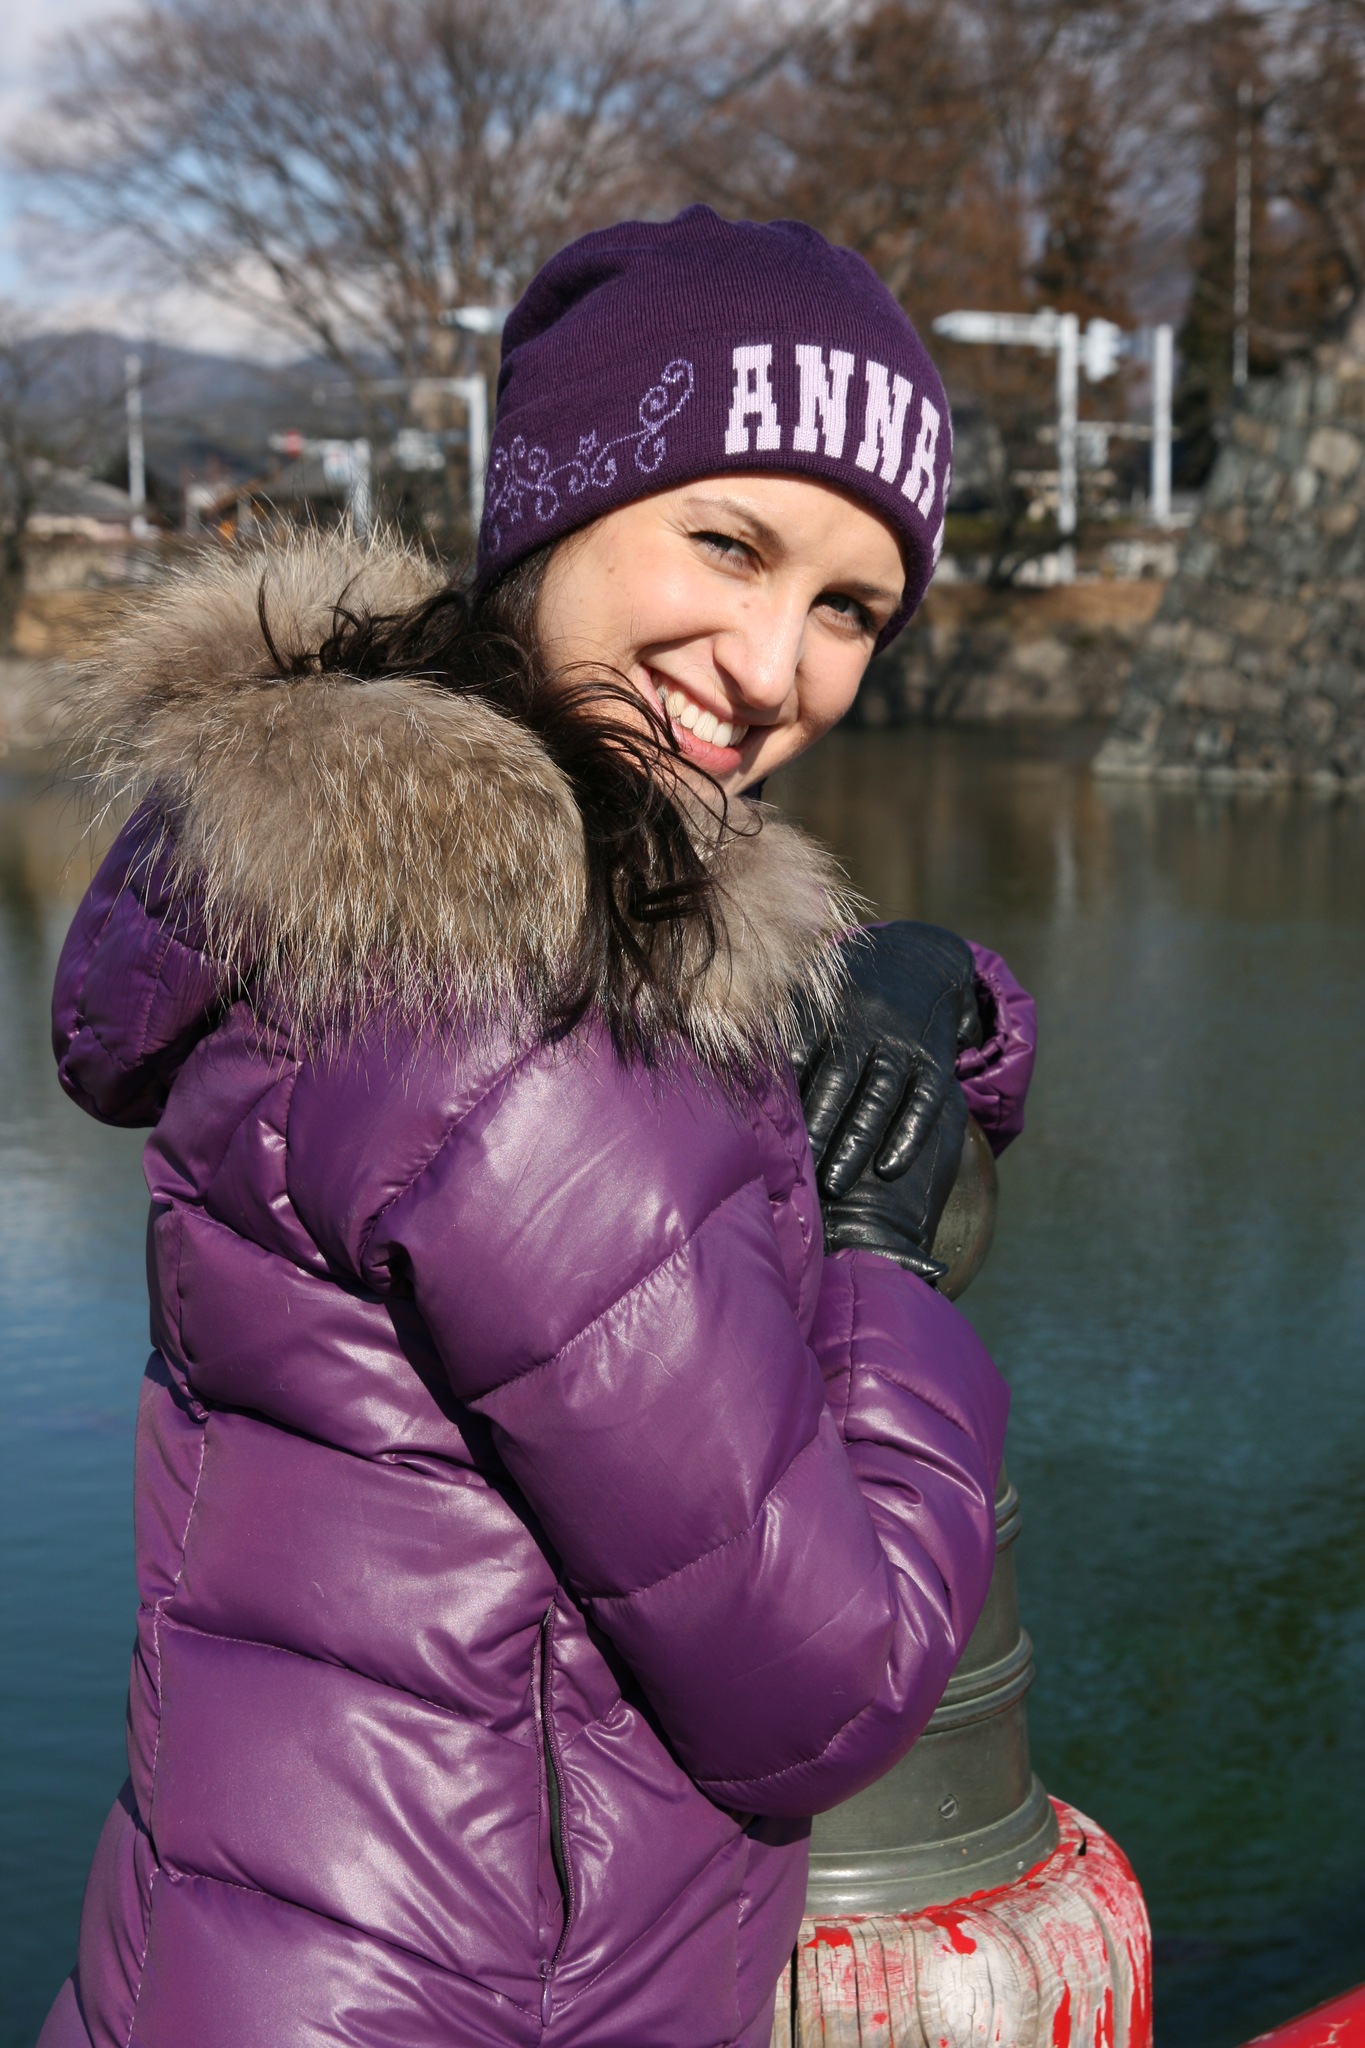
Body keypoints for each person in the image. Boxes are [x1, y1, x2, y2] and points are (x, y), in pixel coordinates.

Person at [39, 206, 1036, 2048]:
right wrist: (883, 1264)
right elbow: (825, 1686)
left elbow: (738, 1071)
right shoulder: (500, 1012)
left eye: (847, 609)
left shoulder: (389, 896)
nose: (770, 670)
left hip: (275, 1961)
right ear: (559, 509)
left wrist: (927, 1004)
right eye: (725, 543)